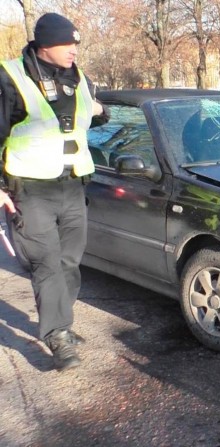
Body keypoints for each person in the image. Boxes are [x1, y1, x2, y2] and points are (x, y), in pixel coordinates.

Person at [0, 13, 108, 371]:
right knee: (46, 263)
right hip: (30, 190)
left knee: (70, 262)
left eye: (76, 43)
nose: (74, 49)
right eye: (67, 43)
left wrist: (100, 109)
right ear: (44, 44)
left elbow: (91, 115)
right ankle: (57, 334)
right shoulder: (10, 77)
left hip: (73, 184)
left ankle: (62, 321)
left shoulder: (79, 79)